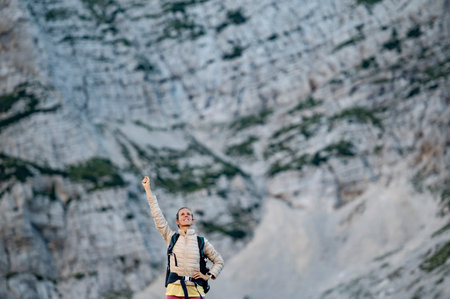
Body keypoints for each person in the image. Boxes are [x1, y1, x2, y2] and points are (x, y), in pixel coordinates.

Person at [141, 176, 224, 299]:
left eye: (189, 214)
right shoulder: (171, 237)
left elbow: (219, 261)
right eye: (182, 214)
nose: (186, 216)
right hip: (174, 290)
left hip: (195, 290)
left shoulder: (201, 241)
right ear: (177, 221)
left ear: (193, 220)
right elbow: (157, 216)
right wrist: (148, 190)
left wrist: (207, 275)